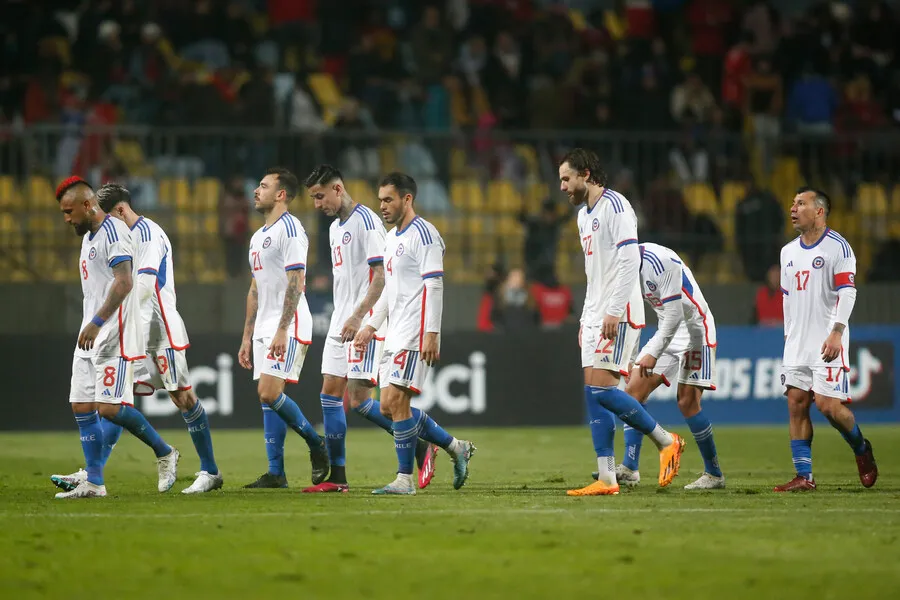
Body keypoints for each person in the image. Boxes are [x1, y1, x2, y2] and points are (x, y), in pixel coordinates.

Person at [51, 184, 222, 494]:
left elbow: (142, 285)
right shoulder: (106, 236)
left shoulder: (148, 234)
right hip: (130, 327)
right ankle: (94, 473)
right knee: (114, 399)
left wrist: (125, 329)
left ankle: (209, 470)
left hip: (157, 329)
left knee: (181, 396)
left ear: (117, 210)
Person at [558, 148, 685, 497]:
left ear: (585, 174)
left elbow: (630, 260)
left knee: (603, 389)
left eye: (566, 179)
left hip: (620, 313)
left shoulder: (616, 206)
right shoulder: (584, 216)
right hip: (597, 314)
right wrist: (588, 318)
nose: (563, 187)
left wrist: (613, 310)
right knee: (593, 393)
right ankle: (608, 478)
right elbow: (593, 274)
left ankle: (666, 440)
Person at [303, 164, 437, 493]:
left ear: (338, 189)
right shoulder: (336, 228)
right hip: (341, 321)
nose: (317, 204)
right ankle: (339, 478)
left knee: (362, 401)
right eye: (313, 198)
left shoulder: (368, 222)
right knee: (329, 396)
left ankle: (420, 443)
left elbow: (381, 277)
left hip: (365, 322)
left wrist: (359, 316)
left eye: (320, 196)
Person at [354, 172, 476, 495]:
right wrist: (371, 325)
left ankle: (404, 479)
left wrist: (431, 333)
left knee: (396, 401)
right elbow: (389, 293)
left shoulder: (425, 235)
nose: (382, 206)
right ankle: (455, 446)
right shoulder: (392, 239)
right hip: (394, 333)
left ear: (407, 199)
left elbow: (434, 285)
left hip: (414, 332)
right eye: (379, 199)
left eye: (388, 199)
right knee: (387, 408)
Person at [592, 242, 725, 490]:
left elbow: (675, 315)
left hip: (695, 328)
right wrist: (632, 356)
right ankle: (630, 468)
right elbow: (634, 316)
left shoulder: (661, 260)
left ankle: (714, 474)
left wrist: (652, 352)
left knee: (687, 402)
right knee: (632, 391)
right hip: (668, 332)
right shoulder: (624, 272)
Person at [775, 187, 878, 491]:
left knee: (829, 407)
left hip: (827, 340)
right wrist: (787, 334)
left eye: (801, 203)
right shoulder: (787, 252)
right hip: (796, 342)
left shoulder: (838, 248)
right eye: (793, 203)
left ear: (819, 211)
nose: (793, 208)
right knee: (796, 403)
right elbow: (786, 298)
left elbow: (848, 292)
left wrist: (837, 332)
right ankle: (804, 476)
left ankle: (862, 449)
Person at [239, 167, 329, 489]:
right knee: (268, 399)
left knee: (269, 392)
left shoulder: (291, 230)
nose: (256, 191)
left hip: (286, 324)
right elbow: (254, 288)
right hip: (265, 324)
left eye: (263, 186)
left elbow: (296, 282)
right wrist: (247, 336)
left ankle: (316, 444)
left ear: (280, 194)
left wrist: (282, 329)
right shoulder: (258, 236)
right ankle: (276, 473)